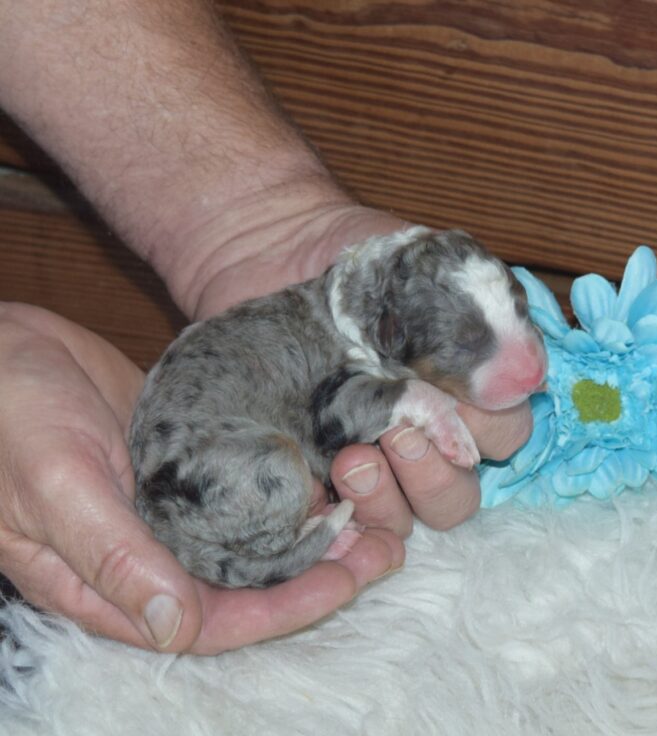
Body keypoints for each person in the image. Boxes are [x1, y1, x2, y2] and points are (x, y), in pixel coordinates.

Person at [0, 0, 533, 654]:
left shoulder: (344, 312)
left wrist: (266, 217)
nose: (532, 366)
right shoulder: (350, 342)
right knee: (295, 464)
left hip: (213, 457)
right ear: (390, 329)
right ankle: (263, 543)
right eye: (469, 342)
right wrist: (418, 402)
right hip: (226, 469)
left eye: (522, 307)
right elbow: (339, 415)